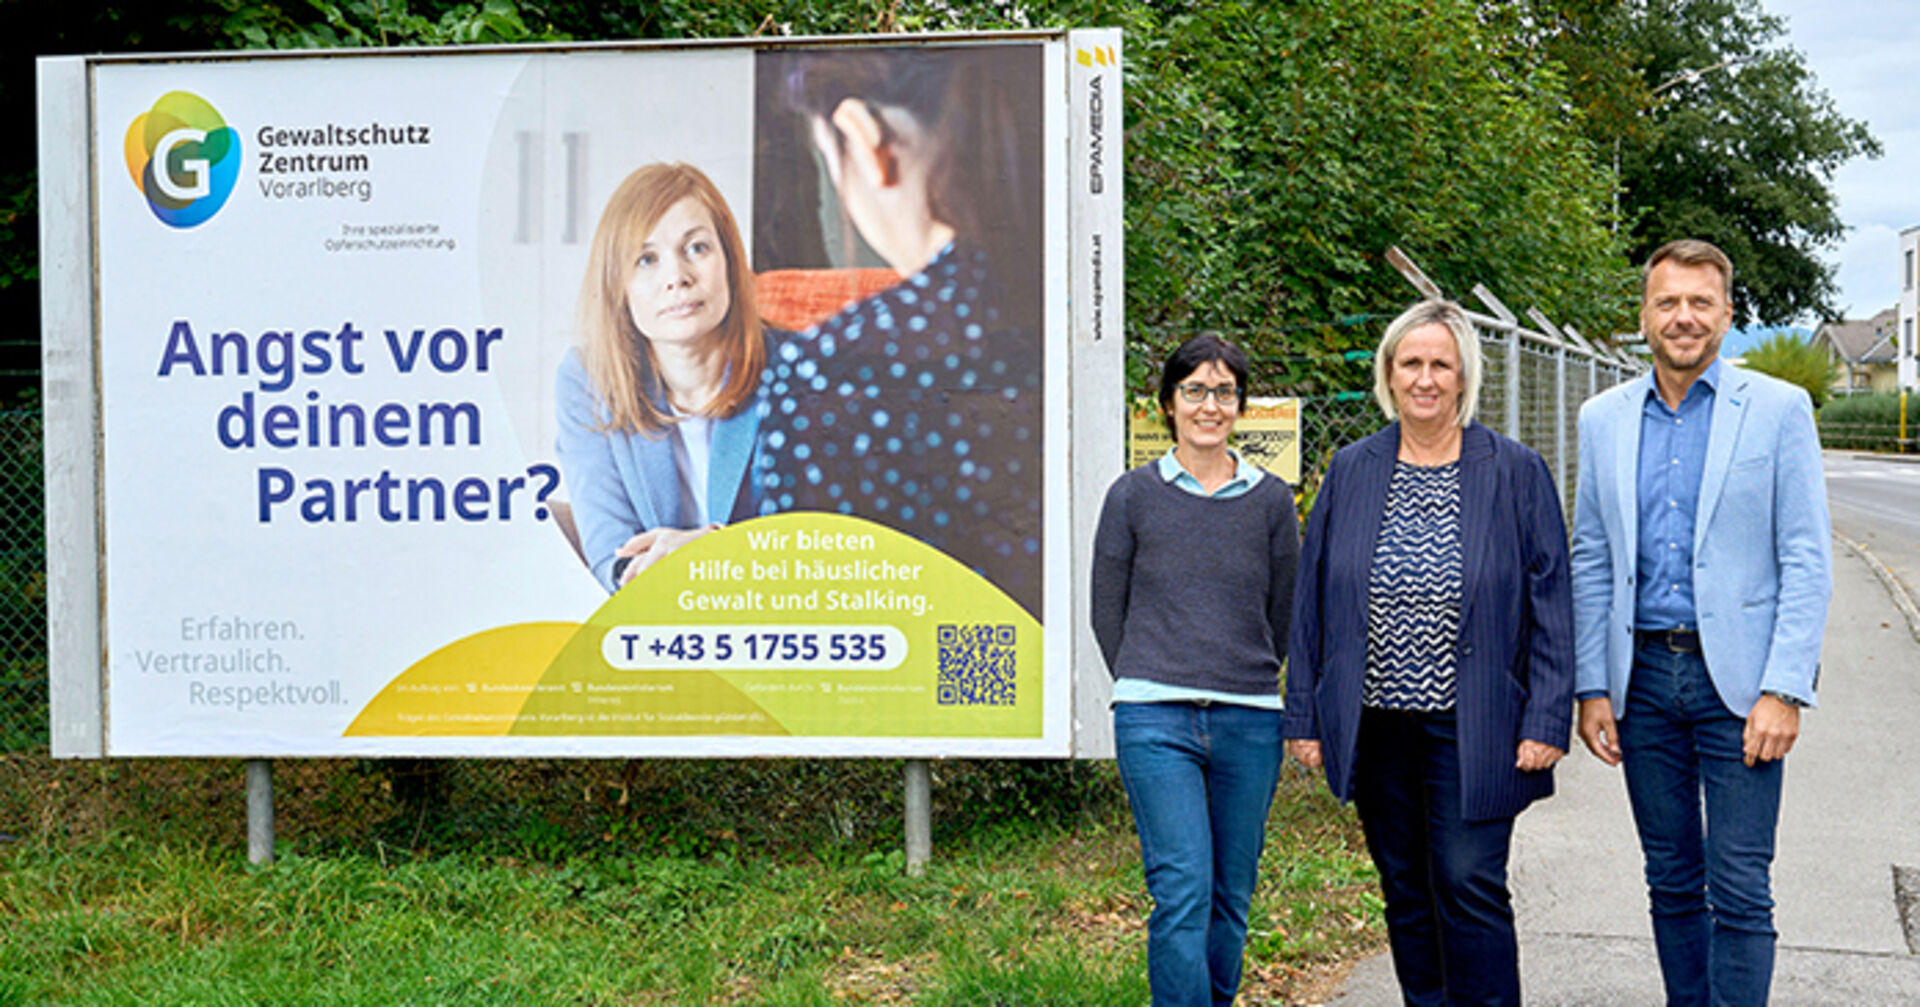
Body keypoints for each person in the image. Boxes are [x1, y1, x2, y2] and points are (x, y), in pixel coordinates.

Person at [1284, 299, 1574, 1006]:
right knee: (1405, 884)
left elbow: (1552, 601)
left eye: (1440, 363)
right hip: (1376, 721)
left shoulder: (1513, 470)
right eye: (1411, 362)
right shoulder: (1352, 469)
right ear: (1389, 373)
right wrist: (1304, 716)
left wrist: (1546, 717)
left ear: (1463, 376)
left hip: (1473, 721)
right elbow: (1312, 599)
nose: (1425, 378)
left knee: (1468, 881)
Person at [1570, 239, 1832, 1006]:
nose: (1682, 317)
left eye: (1699, 302)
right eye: (1667, 302)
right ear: (1644, 315)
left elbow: (1806, 558)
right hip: (1642, 681)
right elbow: (1591, 556)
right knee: (1671, 877)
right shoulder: (1602, 419)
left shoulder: (1781, 410)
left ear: (1725, 313)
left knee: (1742, 883)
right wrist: (1592, 685)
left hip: (1743, 687)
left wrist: (1785, 687)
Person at [752, 47, 1045, 616]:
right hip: (1049, 676)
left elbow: (806, 602)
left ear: (864, 140)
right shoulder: (1052, 311)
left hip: (902, 689)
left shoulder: (829, 364)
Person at [1090, 334, 1300, 1007]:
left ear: (1239, 404)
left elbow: (1284, 610)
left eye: (1224, 391)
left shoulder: (1271, 501)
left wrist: (1240, 669)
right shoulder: (1131, 496)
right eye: (1195, 391)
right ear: (1168, 404)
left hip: (1248, 720)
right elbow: (1107, 612)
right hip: (1156, 719)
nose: (1210, 405)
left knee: (1229, 895)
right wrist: (1150, 675)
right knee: (1182, 888)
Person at [555, 162, 771, 593]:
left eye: (697, 249)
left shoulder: (801, 371)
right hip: (650, 619)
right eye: (646, 259)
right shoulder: (586, 379)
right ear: (619, 285)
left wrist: (710, 554)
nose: (677, 278)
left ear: (729, 260)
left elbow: (822, 547)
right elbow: (610, 552)